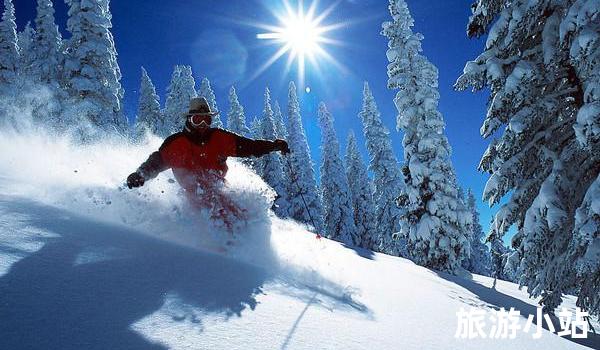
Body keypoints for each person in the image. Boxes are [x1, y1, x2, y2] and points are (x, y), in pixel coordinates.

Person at [127, 97, 289, 229]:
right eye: (198, 120)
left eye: (207, 120)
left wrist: (274, 145)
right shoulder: (177, 144)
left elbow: (250, 147)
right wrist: (141, 174)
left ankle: (249, 242)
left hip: (219, 190)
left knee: (241, 215)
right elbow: (156, 162)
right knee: (214, 213)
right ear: (189, 120)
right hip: (194, 196)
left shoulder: (219, 138)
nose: (203, 125)